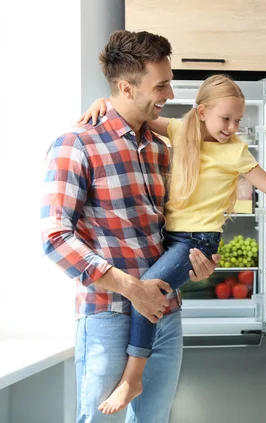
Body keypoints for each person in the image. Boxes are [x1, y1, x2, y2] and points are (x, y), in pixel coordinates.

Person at [80, 74, 266, 414]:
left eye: (237, 120)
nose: (231, 127)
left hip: (198, 241)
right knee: (149, 295)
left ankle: (133, 377)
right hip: (170, 238)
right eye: (225, 118)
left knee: (147, 292)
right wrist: (103, 103)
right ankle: (134, 375)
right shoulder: (179, 131)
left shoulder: (236, 152)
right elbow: (134, 115)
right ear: (201, 112)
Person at [41, 30, 219, 423]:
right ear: (126, 87)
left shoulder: (159, 149)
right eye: (161, 86)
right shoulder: (77, 144)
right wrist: (131, 288)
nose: (169, 95)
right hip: (107, 313)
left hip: (165, 312)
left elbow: (168, 233)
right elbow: (54, 238)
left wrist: (195, 262)